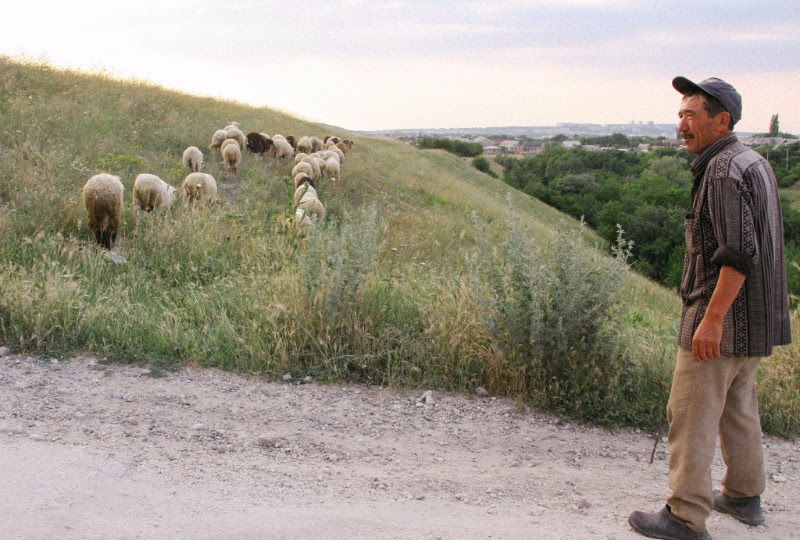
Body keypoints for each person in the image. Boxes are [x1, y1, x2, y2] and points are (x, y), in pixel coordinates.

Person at [628, 77, 792, 539]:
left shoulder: (720, 171)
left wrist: (712, 319)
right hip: (755, 321)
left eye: (692, 115)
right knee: (738, 407)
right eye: (680, 114)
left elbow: (737, 253)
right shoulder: (752, 161)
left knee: (691, 413)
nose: (682, 124)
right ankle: (743, 496)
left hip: (720, 319)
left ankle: (685, 515)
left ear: (722, 121)